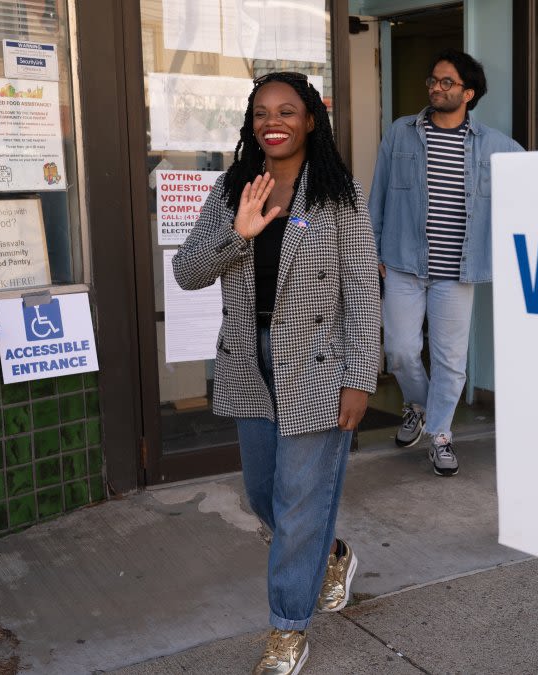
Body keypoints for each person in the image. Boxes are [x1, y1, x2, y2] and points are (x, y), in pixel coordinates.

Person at [172, 71, 380, 675]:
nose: (274, 122)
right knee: (264, 495)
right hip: (248, 359)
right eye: (263, 112)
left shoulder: (341, 197)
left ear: (311, 120)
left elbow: (362, 292)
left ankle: (288, 630)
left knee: (295, 505)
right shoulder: (234, 188)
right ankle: (332, 553)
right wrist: (237, 236)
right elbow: (187, 271)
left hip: (317, 362)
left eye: (288, 111)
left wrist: (360, 376)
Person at [369, 49, 523, 476]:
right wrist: (374, 249)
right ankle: (418, 404)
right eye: (433, 81)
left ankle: (439, 433)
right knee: (399, 350)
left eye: (446, 83)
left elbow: (530, 182)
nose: (436, 88)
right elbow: (378, 194)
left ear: (468, 93)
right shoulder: (401, 133)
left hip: (458, 270)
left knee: (451, 360)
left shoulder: (494, 144)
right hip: (402, 263)